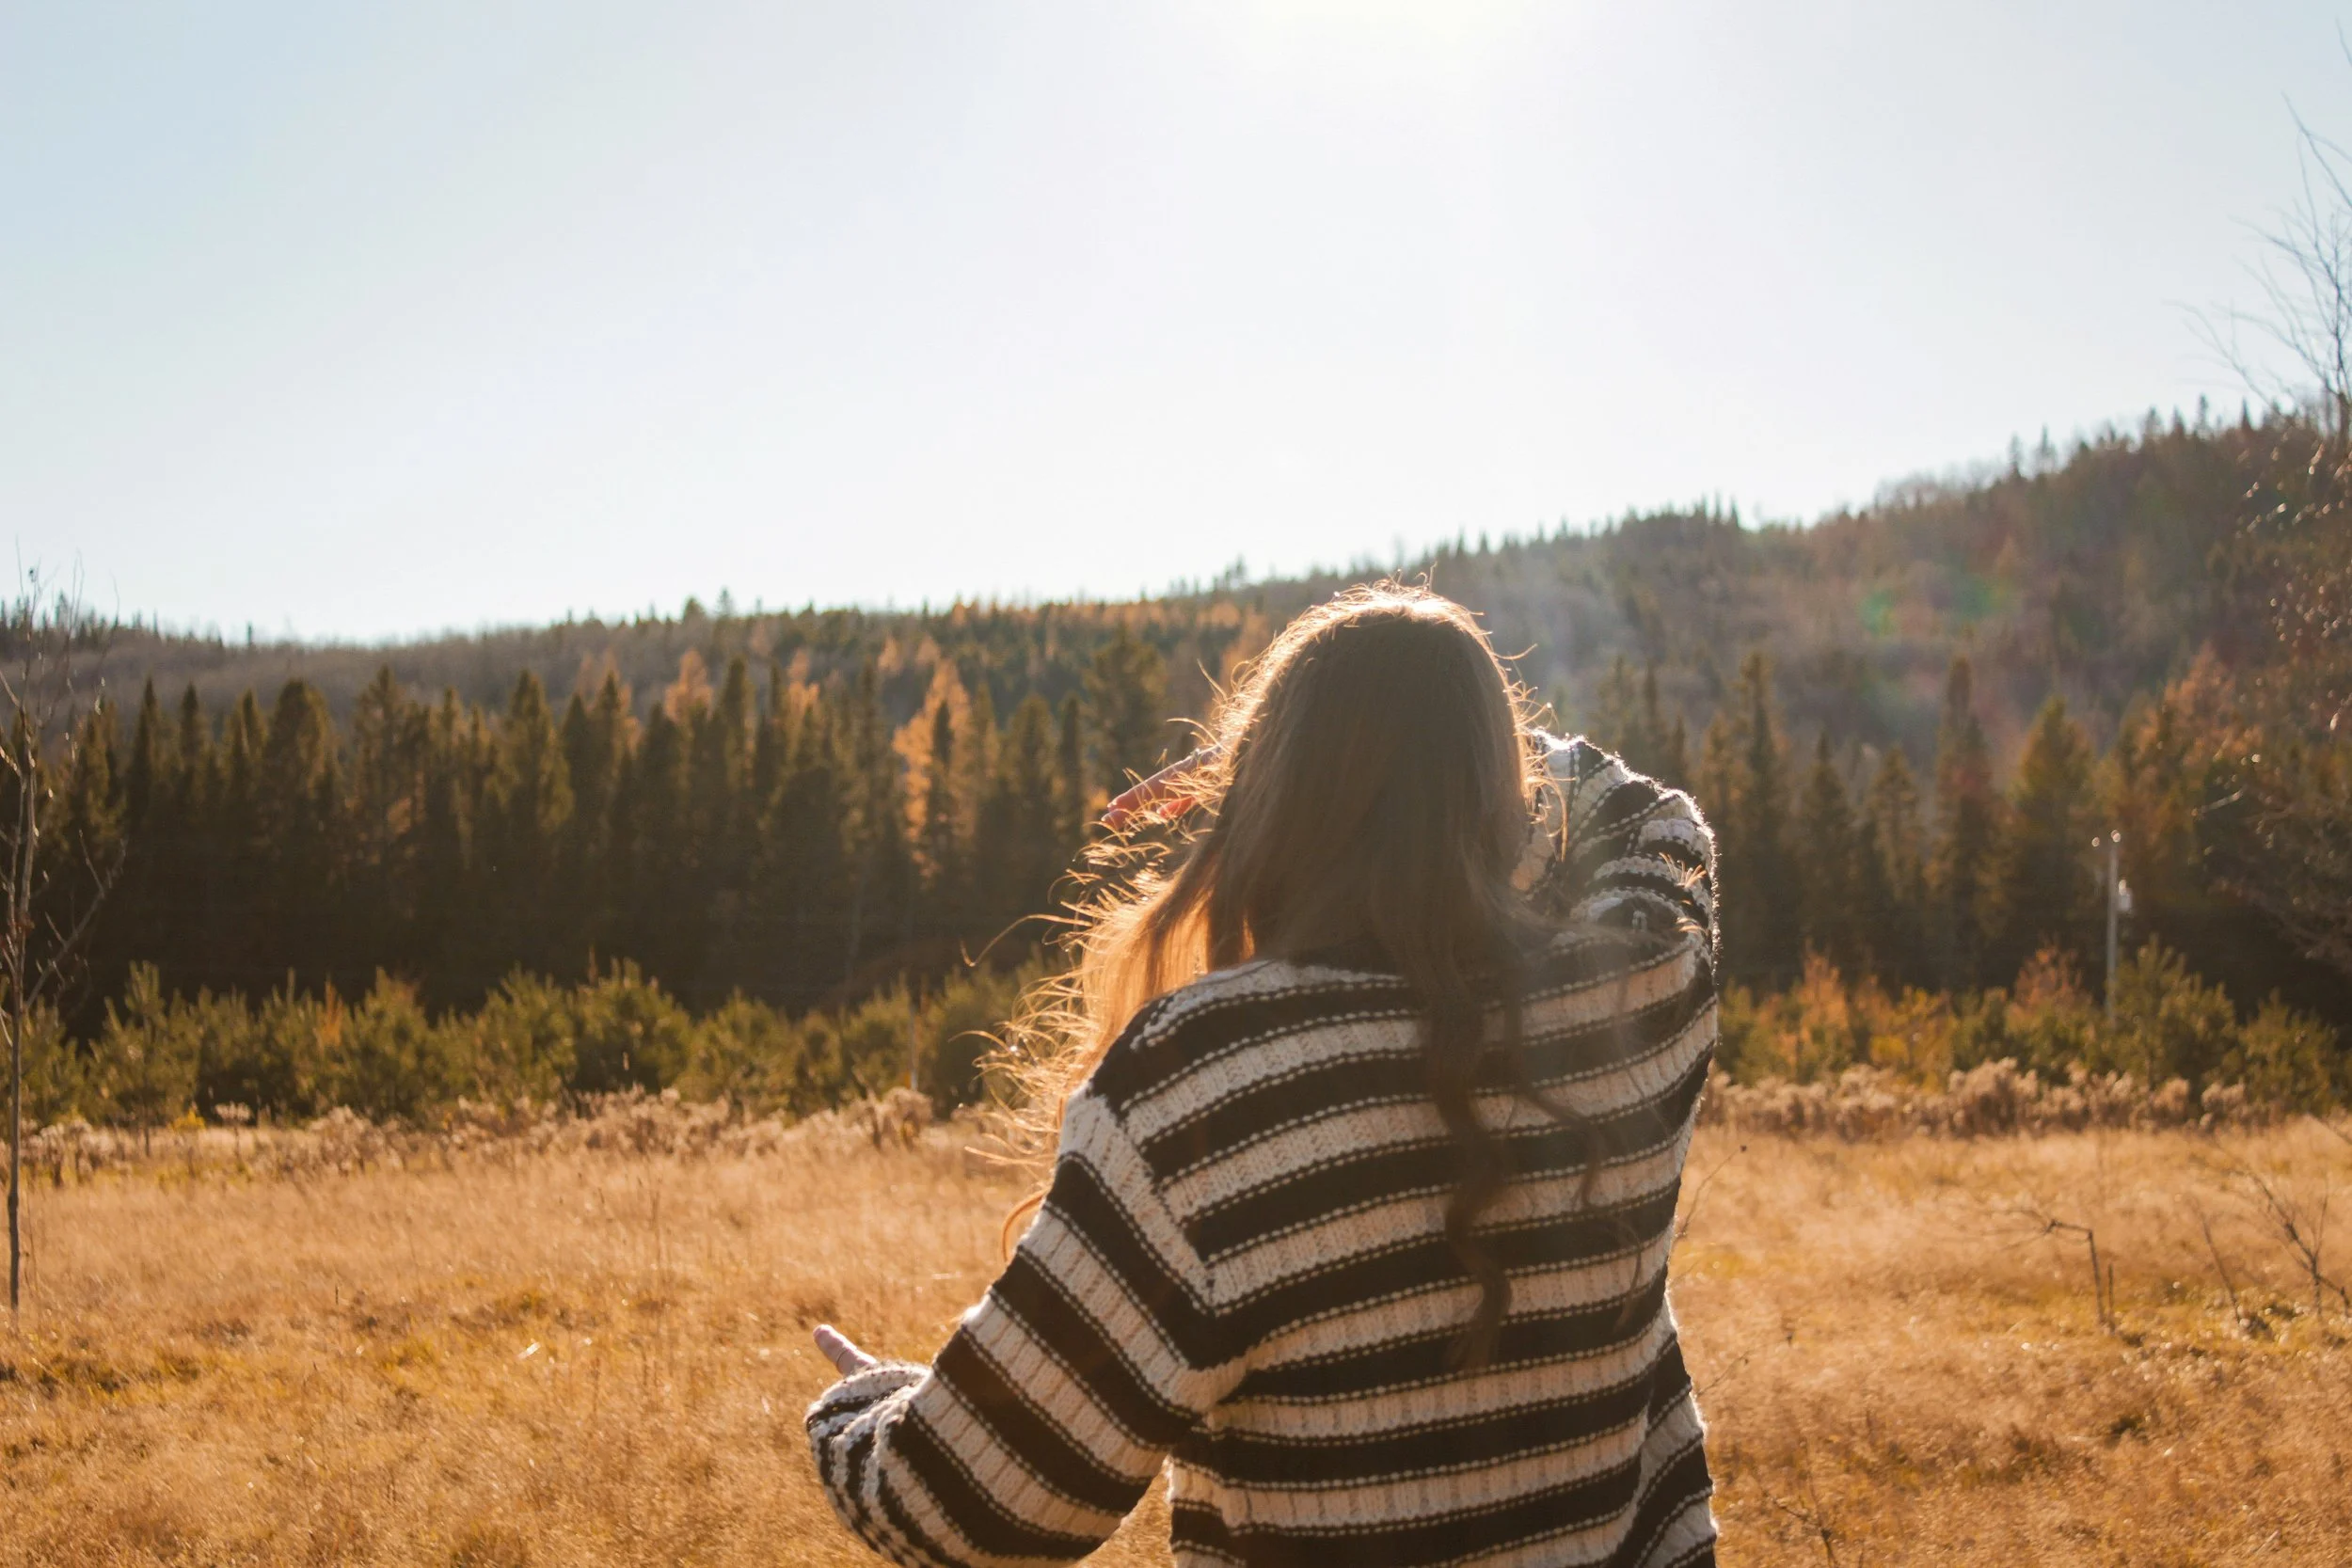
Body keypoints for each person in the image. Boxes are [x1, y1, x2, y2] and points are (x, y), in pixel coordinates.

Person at [807, 584, 1720, 1567]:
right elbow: (1651, 819)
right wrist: (1477, 760)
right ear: (1503, 797)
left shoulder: (1212, 1079)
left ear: (1267, 800)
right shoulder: (1638, 993)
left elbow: (973, 1509)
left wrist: (858, 1414)